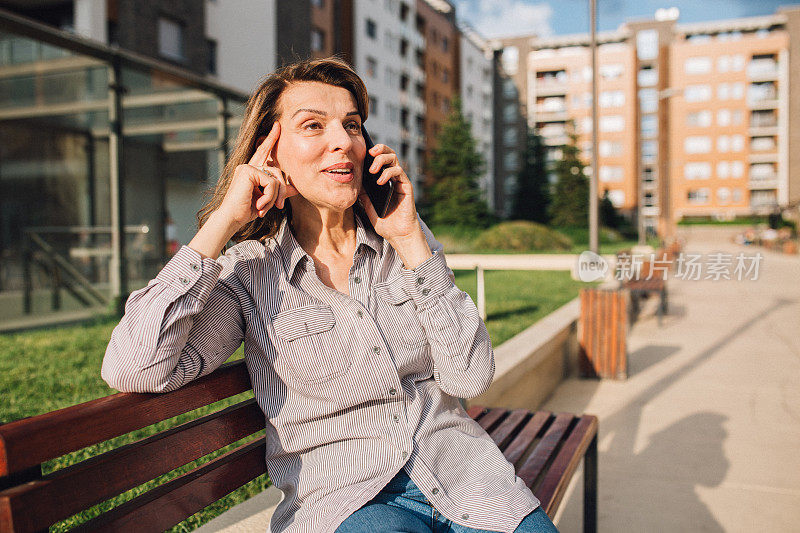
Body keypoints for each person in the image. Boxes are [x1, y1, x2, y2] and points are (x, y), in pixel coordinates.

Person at [101, 57, 557, 533]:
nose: (343, 141)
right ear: (270, 154)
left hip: (465, 478)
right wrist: (223, 223)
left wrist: (411, 241)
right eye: (313, 125)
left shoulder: (403, 245)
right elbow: (131, 365)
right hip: (348, 499)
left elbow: (470, 376)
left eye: (352, 125)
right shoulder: (249, 274)